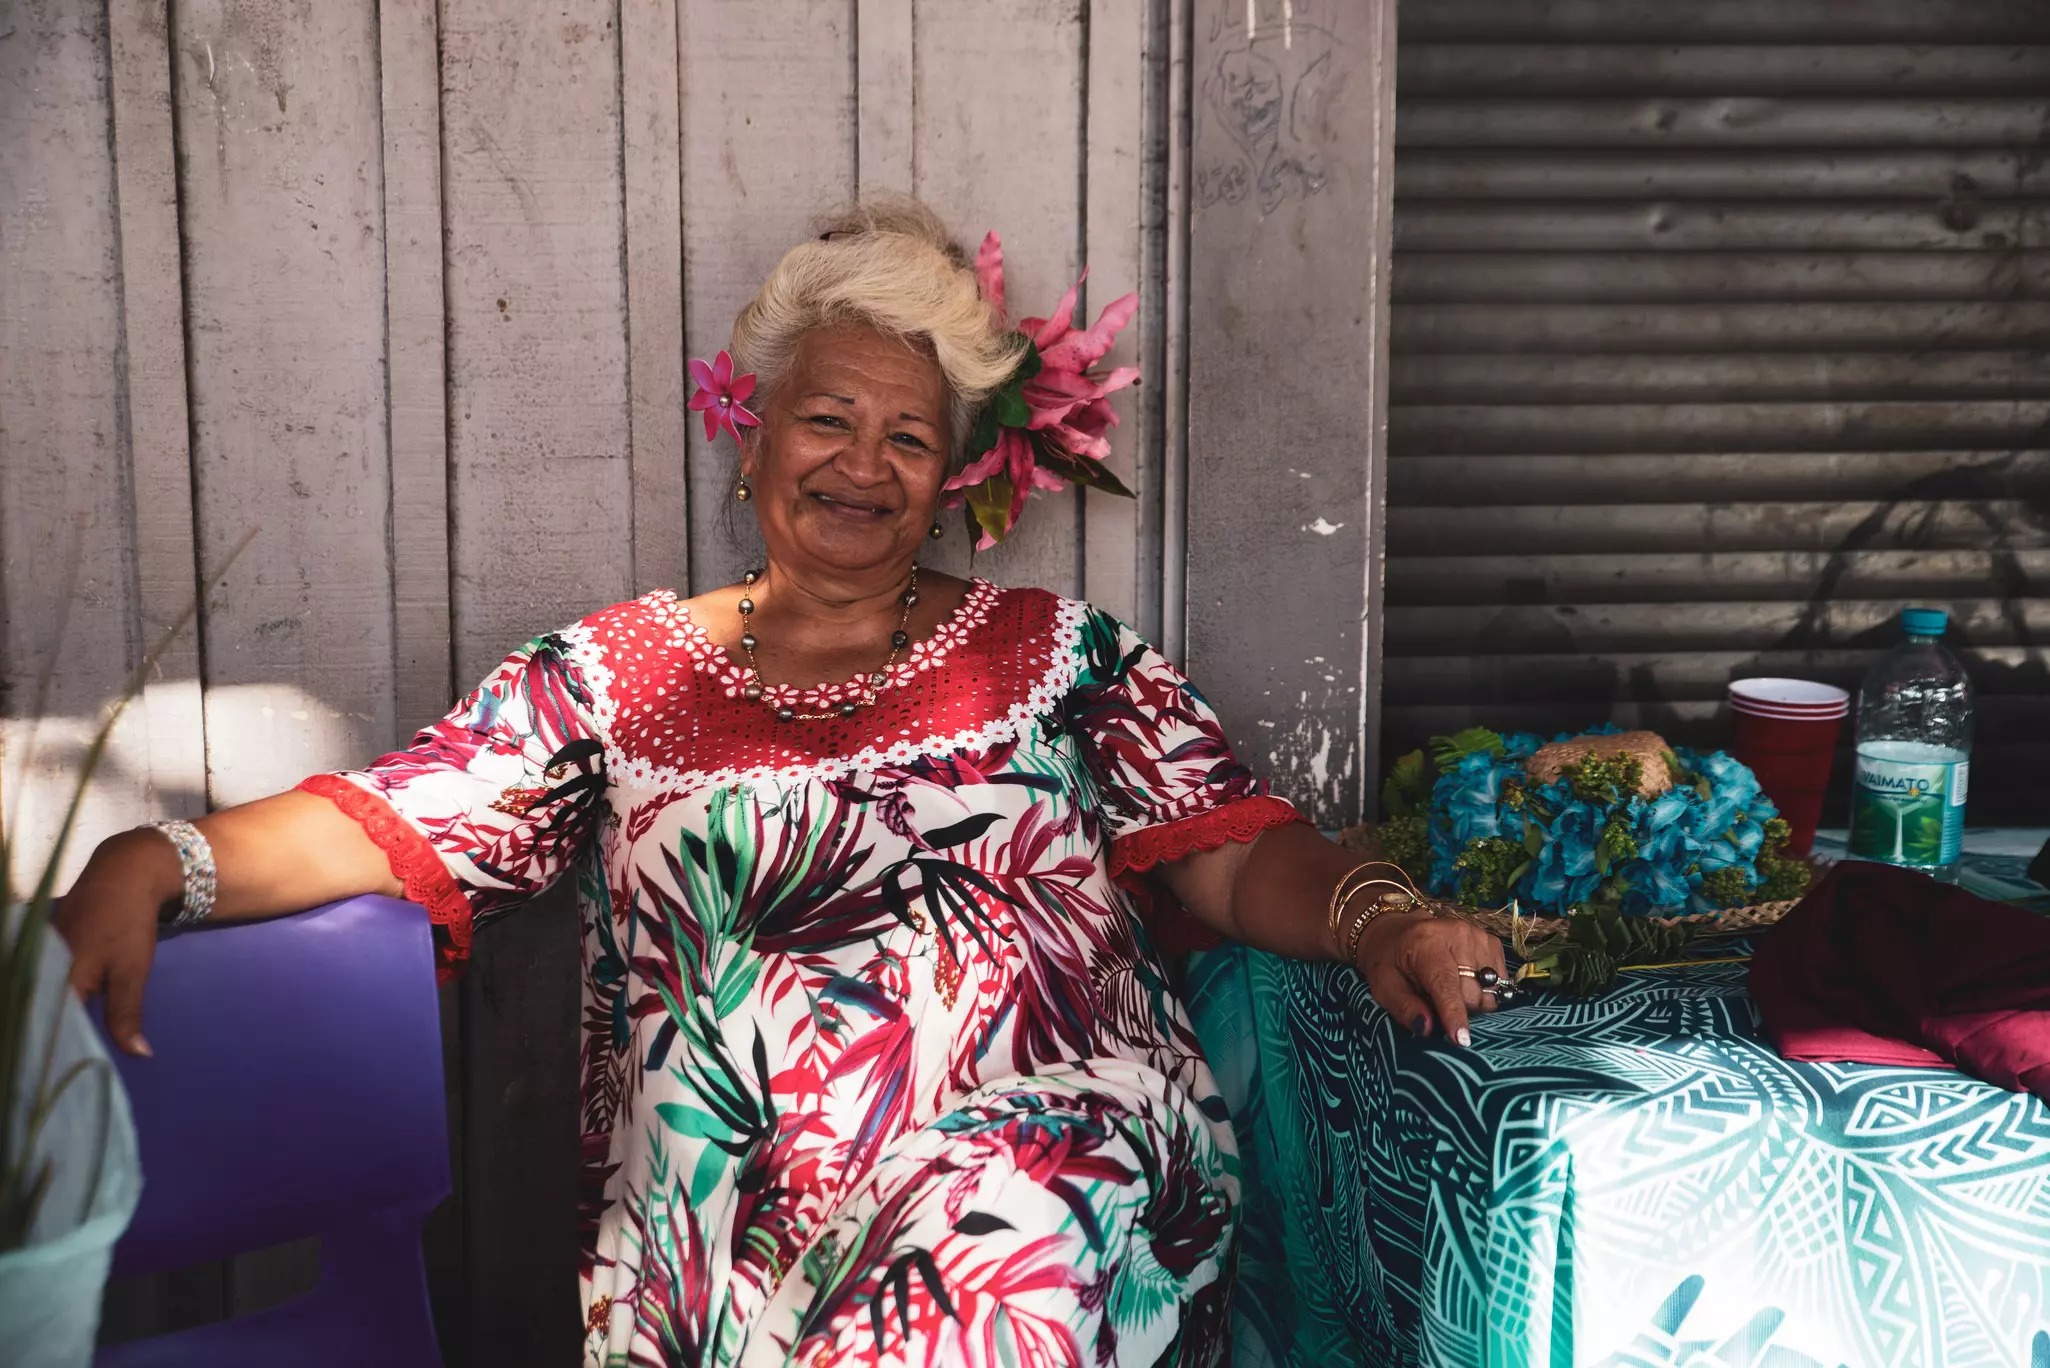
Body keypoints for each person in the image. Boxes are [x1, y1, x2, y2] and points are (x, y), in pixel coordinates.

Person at [56, 198, 1509, 1367]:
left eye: (908, 438)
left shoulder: (1059, 654)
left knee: (991, 1257)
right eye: (830, 420)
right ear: (757, 435)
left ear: (950, 480)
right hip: (734, 1223)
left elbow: (1227, 852)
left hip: (1053, 1171)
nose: (860, 465)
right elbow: (405, 819)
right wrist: (157, 863)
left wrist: (1375, 913)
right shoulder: (610, 674)